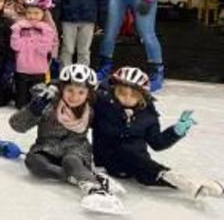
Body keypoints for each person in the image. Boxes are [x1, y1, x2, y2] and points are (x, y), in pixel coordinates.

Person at [9, 64, 126, 215]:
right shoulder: (48, 105)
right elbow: (16, 125)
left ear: (88, 94)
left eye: (81, 92)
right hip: (47, 148)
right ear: (62, 88)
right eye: (70, 90)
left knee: (71, 161)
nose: (74, 96)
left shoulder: (89, 110)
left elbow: (106, 130)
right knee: (33, 161)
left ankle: (94, 187)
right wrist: (32, 110)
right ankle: (78, 176)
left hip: (76, 148)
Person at [92, 67, 223, 201]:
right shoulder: (102, 105)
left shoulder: (147, 115)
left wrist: (176, 131)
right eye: (122, 93)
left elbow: (157, 143)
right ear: (114, 90)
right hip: (108, 161)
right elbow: (82, 115)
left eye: (133, 95)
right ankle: (176, 178)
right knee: (127, 151)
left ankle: (187, 182)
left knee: (146, 176)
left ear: (141, 96)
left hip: (138, 163)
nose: (126, 98)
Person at [10, 0, 59, 108]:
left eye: (36, 13)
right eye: (29, 13)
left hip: (39, 71)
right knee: (20, 104)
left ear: (43, 14)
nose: (32, 16)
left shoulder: (47, 29)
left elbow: (45, 49)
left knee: (36, 103)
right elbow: (15, 46)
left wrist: (44, 30)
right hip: (22, 69)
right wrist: (16, 30)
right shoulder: (21, 27)